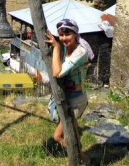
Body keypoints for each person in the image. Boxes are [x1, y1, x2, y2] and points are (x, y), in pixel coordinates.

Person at [45, 18, 94, 163]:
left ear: (75, 34)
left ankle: (81, 158)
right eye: (61, 35)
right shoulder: (70, 46)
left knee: (58, 136)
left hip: (75, 101)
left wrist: (56, 48)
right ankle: (82, 157)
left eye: (67, 34)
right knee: (72, 129)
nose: (64, 38)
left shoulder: (80, 52)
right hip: (70, 96)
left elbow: (57, 73)